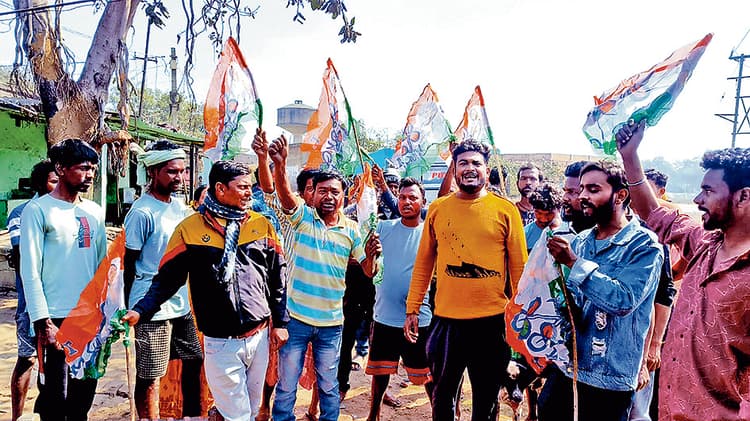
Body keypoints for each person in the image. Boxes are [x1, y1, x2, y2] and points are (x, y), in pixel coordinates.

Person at [122, 160, 289, 421]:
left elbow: (278, 276)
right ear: (220, 189)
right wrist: (141, 310)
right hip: (221, 342)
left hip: (259, 336)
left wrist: (280, 322)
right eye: (243, 187)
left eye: (250, 186)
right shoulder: (189, 229)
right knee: (238, 414)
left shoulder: (261, 225)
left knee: (251, 407)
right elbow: (167, 280)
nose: (249, 193)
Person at [616, 120, 750, 420]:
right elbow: (653, 213)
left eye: (708, 191)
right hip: (671, 411)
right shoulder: (703, 244)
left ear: (743, 196)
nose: (697, 200)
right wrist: (630, 156)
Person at [405, 139, 528, 420]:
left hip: (492, 323)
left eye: (476, 163)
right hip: (447, 321)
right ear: (455, 168)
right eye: (463, 163)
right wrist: (413, 308)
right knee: (442, 396)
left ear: (486, 169)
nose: (469, 168)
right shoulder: (438, 209)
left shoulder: (506, 210)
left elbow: (519, 269)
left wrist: (521, 317)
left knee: (486, 399)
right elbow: (424, 263)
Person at [267, 134, 382, 421]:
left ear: (343, 197)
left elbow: (368, 271)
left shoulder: (352, 229)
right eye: (322, 191)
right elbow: (285, 197)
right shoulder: (302, 218)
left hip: (331, 324)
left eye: (334, 192)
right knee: (287, 386)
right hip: (295, 319)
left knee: (329, 386)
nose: (328, 196)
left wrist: (372, 256)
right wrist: (279, 165)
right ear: (313, 194)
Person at [538, 160, 663, 421]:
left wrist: (574, 263)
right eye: (582, 189)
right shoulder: (582, 241)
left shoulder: (644, 245)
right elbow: (574, 304)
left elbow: (623, 301)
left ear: (620, 195)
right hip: (571, 367)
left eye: (593, 189)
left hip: (610, 377)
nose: (583, 196)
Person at [20, 139, 107, 420]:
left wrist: (106, 313)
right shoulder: (38, 210)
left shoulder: (94, 212)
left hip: (88, 317)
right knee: (56, 398)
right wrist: (43, 322)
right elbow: (30, 270)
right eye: (83, 168)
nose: (90, 175)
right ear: (61, 168)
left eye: (93, 169)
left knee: (83, 397)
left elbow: (102, 267)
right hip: (55, 318)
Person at [123, 140, 203, 419]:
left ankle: (191, 416)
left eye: (182, 171)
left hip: (179, 301)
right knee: (150, 374)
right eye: (171, 171)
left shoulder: (180, 207)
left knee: (193, 360)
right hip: (149, 304)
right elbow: (129, 263)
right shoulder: (141, 212)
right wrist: (129, 306)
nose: (179, 177)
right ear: (153, 172)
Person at [253, 130, 321, 421]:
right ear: (302, 193)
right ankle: (265, 407)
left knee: (320, 363)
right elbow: (270, 191)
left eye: (325, 189)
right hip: (289, 305)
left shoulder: (341, 222)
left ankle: (314, 408)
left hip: (322, 308)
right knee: (277, 362)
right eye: (311, 189)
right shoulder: (293, 214)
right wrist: (265, 159)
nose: (319, 194)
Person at [366, 177, 433, 421]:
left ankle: (439, 412)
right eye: (402, 197)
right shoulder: (383, 229)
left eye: (413, 197)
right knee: (380, 372)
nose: (406, 202)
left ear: (423, 202)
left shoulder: (430, 233)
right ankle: (373, 414)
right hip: (385, 314)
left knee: (428, 373)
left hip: (419, 317)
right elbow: (369, 268)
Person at [7, 159, 57, 421]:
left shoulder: (68, 211)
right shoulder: (21, 213)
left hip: (61, 300)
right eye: (53, 181)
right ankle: (17, 415)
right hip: (30, 301)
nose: (58, 185)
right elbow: (21, 256)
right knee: (27, 358)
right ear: (40, 183)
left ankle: (47, 410)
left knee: (57, 362)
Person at [524, 183, 565, 252]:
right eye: (539, 213)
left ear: (559, 209)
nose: (544, 219)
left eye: (549, 214)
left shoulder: (569, 232)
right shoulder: (525, 234)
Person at [561, 161, 595, 233]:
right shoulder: (558, 233)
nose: (564, 198)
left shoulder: (609, 235)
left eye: (571, 192)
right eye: (565, 191)